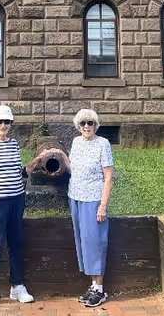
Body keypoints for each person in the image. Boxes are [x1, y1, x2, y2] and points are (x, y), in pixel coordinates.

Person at [0, 104, 44, 309]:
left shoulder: (13, 144)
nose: (3, 125)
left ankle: (17, 285)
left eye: (7, 122)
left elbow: (18, 173)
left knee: (16, 243)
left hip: (17, 200)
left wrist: (33, 164)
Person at [54, 108, 114, 308]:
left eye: (90, 123)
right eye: (83, 124)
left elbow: (108, 177)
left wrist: (103, 205)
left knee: (94, 242)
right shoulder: (76, 142)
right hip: (76, 198)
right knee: (83, 242)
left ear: (96, 125)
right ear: (78, 126)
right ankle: (92, 285)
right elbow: (74, 168)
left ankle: (100, 288)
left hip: (93, 200)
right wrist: (60, 155)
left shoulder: (103, 144)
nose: (86, 127)